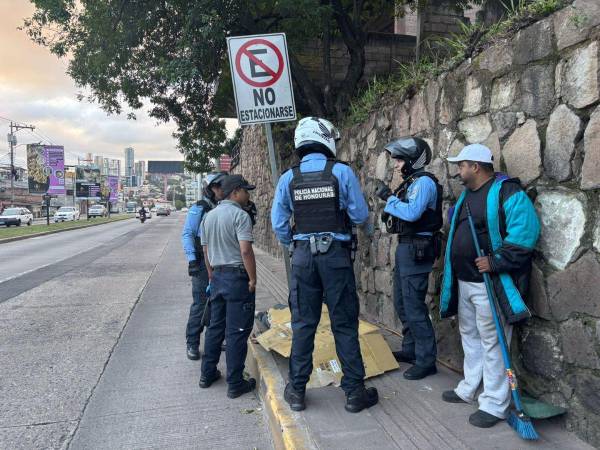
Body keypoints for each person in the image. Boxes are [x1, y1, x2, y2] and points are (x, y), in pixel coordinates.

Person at [271, 116, 378, 413]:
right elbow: (358, 216)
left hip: (303, 258)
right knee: (344, 323)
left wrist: (297, 244)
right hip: (335, 257)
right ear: (325, 138)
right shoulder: (341, 172)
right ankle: (355, 392)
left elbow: (279, 224)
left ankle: (296, 391)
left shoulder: (288, 178)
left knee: (304, 324)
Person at [440, 144, 540, 428]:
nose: (458, 170)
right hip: (466, 281)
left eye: (462, 165)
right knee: (469, 335)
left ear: (476, 166)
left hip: (490, 283)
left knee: (493, 340)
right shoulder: (467, 196)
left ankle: (495, 403)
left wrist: (495, 262)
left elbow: (526, 233)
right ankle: (469, 387)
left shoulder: (508, 192)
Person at [374, 137, 443, 381]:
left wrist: (390, 199)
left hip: (418, 248)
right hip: (407, 247)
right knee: (402, 302)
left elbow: (413, 213)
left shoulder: (423, 183)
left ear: (413, 160)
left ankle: (426, 360)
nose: (395, 165)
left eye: (400, 159)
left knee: (414, 305)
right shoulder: (412, 183)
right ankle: (411, 348)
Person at [199, 174, 257, 399]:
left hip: (217, 278)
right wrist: (252, 279)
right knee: (236, 332)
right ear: (235, 192)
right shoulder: (240, 216)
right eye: (246, 190)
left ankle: (207, 374)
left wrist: (212, 275)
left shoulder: (209, 217)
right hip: (237, 279)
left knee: (215, 328)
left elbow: (205, 252)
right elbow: (245, 251)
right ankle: (235, 383)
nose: (248, 195)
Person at [181, 172, 227, 360]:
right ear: (210, 189)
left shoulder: (225, 207)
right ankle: (192, 342)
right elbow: (187, 234)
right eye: (219, 186)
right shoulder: (199, 208)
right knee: (201, 304)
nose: (223, 190)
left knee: (220, 303)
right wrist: (192, 259)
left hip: (221, 261)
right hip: (201, 263)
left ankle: (214, 340)